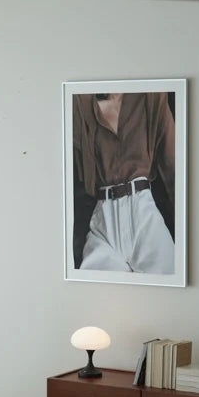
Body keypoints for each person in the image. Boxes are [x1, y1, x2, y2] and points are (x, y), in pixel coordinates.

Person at [72, 91, 176, 274]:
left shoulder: (150, 95)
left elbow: (174, 165)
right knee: (95, 296)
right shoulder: (80, 101)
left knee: (173, 290)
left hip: (144, 213)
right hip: (103, 221)